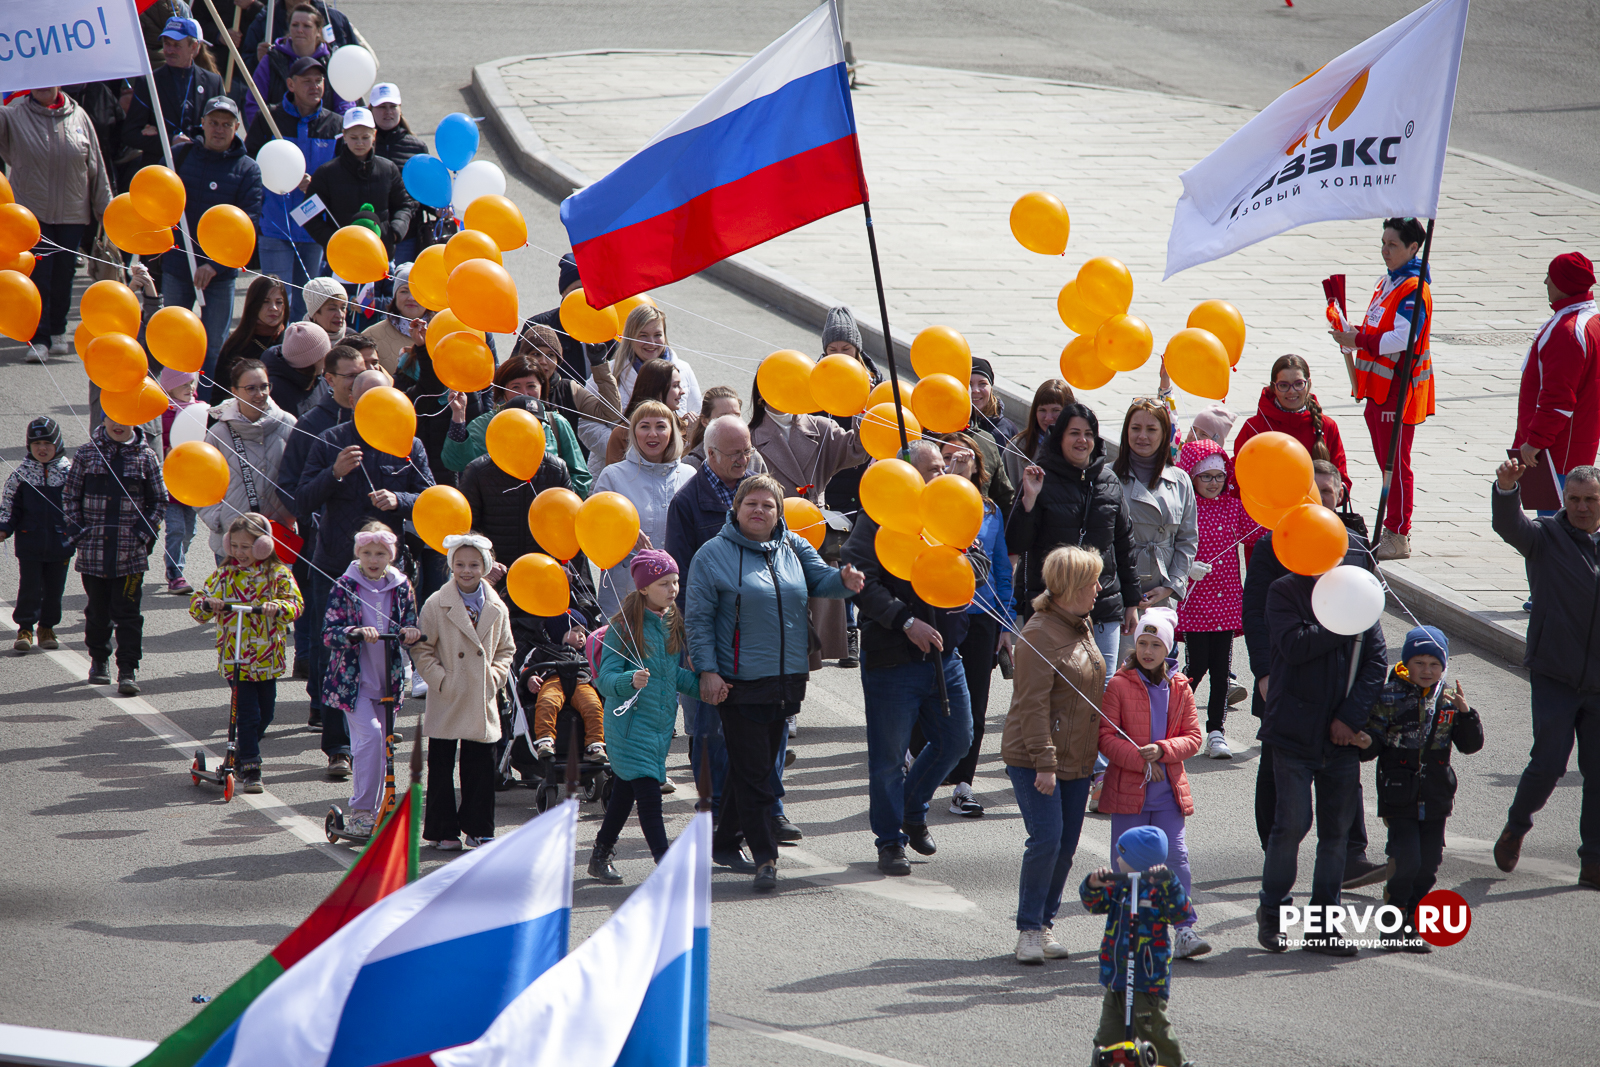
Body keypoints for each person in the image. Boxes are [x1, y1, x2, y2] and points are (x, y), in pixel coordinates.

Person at [686, 475, 864, 891]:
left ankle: (724, 842)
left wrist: (844, 581)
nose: (759, 511)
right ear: (736, 509)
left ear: (779, 513)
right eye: (751, 503)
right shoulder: (712, 554)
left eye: (768, 505)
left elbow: (821, 581)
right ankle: (766, 857)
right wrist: (707, 670)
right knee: (756, 773)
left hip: (786, 678)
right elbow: (697, 619)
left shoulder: (793, 546)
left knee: (757, 766)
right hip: (738, 681)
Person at [842, 442, 987, 876]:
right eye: (932, 470)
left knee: (956, 739)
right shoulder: (878, 518)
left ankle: (912, 807)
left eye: (943, 468)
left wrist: (960, 558)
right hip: (893, 659)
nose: (941, 476)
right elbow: (862, 583)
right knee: (888, 758)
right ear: (907, 476)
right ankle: (890, 841)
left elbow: (978, 566)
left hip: (945, 653)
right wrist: (905, 621)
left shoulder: (949, 512)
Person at [1242, 459, 1387, 890]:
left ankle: (1353, 856)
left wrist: (1355, 712)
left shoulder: (1357, 547)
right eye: (1312, 491)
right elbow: (1258, 614)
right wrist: (1264, 671)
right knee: (1279, 780)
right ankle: (1275, 852)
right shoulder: (1276, 545)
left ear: (1341, 493)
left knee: (1342, 782)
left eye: (1327, 491)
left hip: (1341, 693)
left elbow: (1373, 639)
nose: (1320, 499)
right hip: (1287, 686)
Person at [296, 369, 435, 777]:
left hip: (387, 573)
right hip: (335, 566)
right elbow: (302, 499)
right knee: (334, 651)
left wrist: (400, 499)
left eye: (384, 395)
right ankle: (338, 747)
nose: (376, 404)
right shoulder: (332, 439)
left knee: (385, 649)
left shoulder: (408, 443)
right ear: (353, 401)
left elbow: (430, 497)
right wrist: (335, 472)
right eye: (367, 397)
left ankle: (381, 728)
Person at [1256, 559, 1388, 956]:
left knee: (1336, 836)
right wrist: (1343, 621)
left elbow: (1376, 662)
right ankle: (1273, 914)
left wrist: (1350, 719)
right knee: (1291, 826)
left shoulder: (1359, 591)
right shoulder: (1284, 590)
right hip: (1293, 734)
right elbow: (1295, 646)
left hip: (1341, 740)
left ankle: (1323, 927)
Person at [1490, 458, 1600, 891]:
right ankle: (1516, 827)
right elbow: (1509, 525)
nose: (1582, 507)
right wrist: (1506, 489)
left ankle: (1593, 861)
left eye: (1590, 500)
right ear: (1563, 499)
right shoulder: (1545, 538)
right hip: (1555, 674)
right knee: (1549, 763)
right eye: (1574, 499)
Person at [1003, 544, 1104, 962]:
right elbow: (1032, 706)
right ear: (1071, 587)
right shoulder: (1038, 634)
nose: (1099, 588)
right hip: (1035, 759)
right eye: (1092, 581)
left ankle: (1045, 924)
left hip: (1076, 758)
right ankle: (1028, 930)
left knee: (1065, 846)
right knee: (1046, 840)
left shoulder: (1081, 624)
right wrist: (1045, 763)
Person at [1359, 626, 1484, 950]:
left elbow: (1470, 746)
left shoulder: (1449, 699)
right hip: (1399, 794)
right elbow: (1373, 742)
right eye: (1419, 663)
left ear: (1443, 667)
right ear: (1406, 664)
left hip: (1436, 795)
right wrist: (1366, 740)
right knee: (1406, 861)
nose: (1427, 670)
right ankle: (1393, 921)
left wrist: (1466, 715)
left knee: (1428, 866)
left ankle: (1413, 922)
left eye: (1434, 664)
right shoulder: (1389, 695)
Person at [1098, 606, 1209, 960]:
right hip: (1128, 791)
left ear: (1168, 649)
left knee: (1176, 858)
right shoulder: (1118, 684)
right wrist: (1140, 759)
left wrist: (1161, 751)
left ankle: (1184, 928)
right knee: (1128, 864)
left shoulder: (1181, 687)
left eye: (1155, 645)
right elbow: (1106, 737)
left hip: (1167, 793)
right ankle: (1129, 929)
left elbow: (1193, 737)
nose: (1147, 651)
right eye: (1142, 643)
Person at [587, 551, 702, 883]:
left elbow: (672, 676)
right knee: (650, 795)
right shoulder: (623, 627)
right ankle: (666, 865)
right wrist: (629, 680)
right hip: (628, 726)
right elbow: (605, 680)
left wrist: (707, 688)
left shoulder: (671, 621)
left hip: (658, 727)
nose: (673, 589)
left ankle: (600, 854)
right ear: (643, 588)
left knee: (625, 792)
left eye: (675, 582)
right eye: (664, 583)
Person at [665, 413, 757, 818]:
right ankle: (714, 810)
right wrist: (697, 647)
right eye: (734, 453)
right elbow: (681, 583)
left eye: (747, 451)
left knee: (759, 724)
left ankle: (764, 811)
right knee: (708, 725)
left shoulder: (758, 495)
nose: (743, 460)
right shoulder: (687, 503)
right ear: (711, 454)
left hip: (756, 632)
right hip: (709, 634)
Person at [1330, 217, 1436, 561]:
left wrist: (1358, 340)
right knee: (1385, 462)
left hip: (1398, 390)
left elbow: (1402, 338)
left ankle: (1398, 533)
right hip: (1379, 388)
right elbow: (1379, 328)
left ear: (1413, 248)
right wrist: (1352, 333)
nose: (1385, 250)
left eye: (1392, 244)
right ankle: (1393, 529)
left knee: (1395, 464)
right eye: (1383, 242)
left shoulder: (1413, 288)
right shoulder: (1388, 282)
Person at [1007, 403, 1139, 662]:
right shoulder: (1039, 479)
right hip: (1051, 606)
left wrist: (1132, 601)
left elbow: (1125, 545)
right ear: (1059, 438)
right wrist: (1028, 501)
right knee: (1054, 682)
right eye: (1074, 433)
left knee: (1102, 681)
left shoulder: (1109, 481)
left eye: (1088, 434)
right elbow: (1016, 543)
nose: (1082, 440)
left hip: (1103, 604)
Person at [411, 533, 514, 849]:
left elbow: (506, 649)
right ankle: (442, 829)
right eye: (459, 564)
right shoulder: (436, 603)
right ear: (450, 566)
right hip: (448, 694)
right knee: (441, 766)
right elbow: (422, 648)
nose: (466, 571)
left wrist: (494, 677)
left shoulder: (497, 606)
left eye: (473, 565)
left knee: (480, 766)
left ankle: (479, 827)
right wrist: (441, 680)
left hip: (482, 695)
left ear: (485, 566)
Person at [188, 513, 303, 795]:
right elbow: (197, 603)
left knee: (266, 713)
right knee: (248, 715)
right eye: (236, 546)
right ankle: (251, 768)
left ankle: (237, 757)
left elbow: (295, 604)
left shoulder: (278, 574)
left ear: (264, 546)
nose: (240, 552)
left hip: (267, 657)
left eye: (247, 547)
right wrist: (208, 604)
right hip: (235, 656)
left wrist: (278, 606)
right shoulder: (225, 575)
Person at [320, 522, 421, 838]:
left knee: (383, 748)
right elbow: (329, 633)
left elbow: (410, 624)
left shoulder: (401, 586)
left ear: (391, 556)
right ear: (358, 554)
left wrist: (411, 632)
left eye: (380, 553)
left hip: (389, 683)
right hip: (353, 685)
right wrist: (354, 632)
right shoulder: (345, 585)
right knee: (372, 740)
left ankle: (380, 811)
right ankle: (362, 812)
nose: (373, 560)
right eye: (367, 553)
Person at [0, 87, 112, 361]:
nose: (43, 86)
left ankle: (58, 330)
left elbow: (95, 165)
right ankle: (39, 339)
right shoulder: (13, 115)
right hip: (32, 215)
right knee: (39, 277)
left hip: (72, 214)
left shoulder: (79, 116)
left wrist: (107, 211)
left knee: (64, 276)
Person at [160, 95, 263, 382]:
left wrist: (215, 265)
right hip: (178, 265)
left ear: (237, 127)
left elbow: (248, 225)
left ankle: (208, 402)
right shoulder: (178, 156)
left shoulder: (248, 169)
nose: (219, 129)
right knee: (174, 341)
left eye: (226, 124)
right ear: (202, 123)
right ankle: (173, 399)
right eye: (214, 122)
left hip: (220, 274)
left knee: (214, 347)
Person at [277, 343, 361, 688]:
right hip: (322, 543)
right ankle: (316, 692)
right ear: (329, 379)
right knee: (322, 619)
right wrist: (313, 510)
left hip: (370, 549)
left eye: (363, 373)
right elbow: (289, 486)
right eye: (350, 376)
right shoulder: (312, 425)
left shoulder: (381, 420)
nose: (357, 382)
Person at [63, 415, 166, 694]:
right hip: (93, 553)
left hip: (130, 556)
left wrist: (140, 535)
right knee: (97, 612)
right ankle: (99, 661)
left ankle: (128, 669)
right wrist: (79, 532)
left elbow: (159, 501)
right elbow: (70, 496)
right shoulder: (86, 454)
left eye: (124, 419)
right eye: (112, 418)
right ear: (104, 418)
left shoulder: (146, 457)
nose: (117, 424)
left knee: (128, 613)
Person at [940, 434, 1013, 818]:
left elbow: (1001, 566)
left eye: (963, 454)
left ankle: (963, 786)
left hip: (982, 616)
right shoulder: (930, 502)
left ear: (977, 464)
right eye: (947, 455)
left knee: (975, 703)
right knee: (934, 698)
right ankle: (920, 767)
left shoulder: (990, 510)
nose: (956, 459)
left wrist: (1006, 621)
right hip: (939, 613)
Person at [1174, 439, 1261, 759]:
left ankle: (1216, 732)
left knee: (1222, 671)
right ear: (1192, 477)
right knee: (1197, 665)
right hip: (1195, 601)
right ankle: (1175, 717)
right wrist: (1187, 568)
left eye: (1219, 476)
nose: (1213, 483)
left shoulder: (1233, 506)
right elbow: (1169, 544)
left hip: (1226, 601)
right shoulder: (1185, 508)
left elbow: (1258, 532)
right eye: (1206, 476)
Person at [1081, 827, 1195, 1067]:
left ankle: (1176, 1063)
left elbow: (1181, 912)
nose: (1117, 860)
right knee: (1107, 1037)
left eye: (1122, 855)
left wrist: (1169, 883)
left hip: (1146, 978)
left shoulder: (1158, 891)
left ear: (1138, 860)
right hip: (1117, 979)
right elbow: (1094, 904)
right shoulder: (1119, 887)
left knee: (1152, 1028)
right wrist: (1093, 884)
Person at [244, 56, 341, 321]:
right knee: (276, 302)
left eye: (319, 80)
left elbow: (342, 175)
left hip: (314, 229)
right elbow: (250, 164)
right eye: (307, 81)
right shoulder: (269, 119)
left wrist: (318, 185)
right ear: (290, 84)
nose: (314, 86)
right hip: (275, 225)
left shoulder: (335, 124)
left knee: (308, 306)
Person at [1511, 253, 1599, 515]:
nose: (1545, 282)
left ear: (1562, 283)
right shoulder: (1591, 320)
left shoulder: (1566, 332)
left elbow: (1558, 399)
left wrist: (1534, 441)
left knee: (1554, 528)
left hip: (1557, 454)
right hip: (1576, 445)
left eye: (1550, 276)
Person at [1112, 398, 1197, 666]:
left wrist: (1171, 586)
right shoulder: (1108, 476)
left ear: (1164, 435)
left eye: (1151, 429)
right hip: (1119, 591)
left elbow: (1187, 540)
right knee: (1122, 673)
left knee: (1157, 672)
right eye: (1136, 428)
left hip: (1161, 592)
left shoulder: (1180, 480)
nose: (1143, 436)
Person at [591, 401, 696, 617]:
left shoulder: (689, 475)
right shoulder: (613, 475)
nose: (652, 434)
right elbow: (593, 532)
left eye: (661, 426)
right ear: (633, 432)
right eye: (644, 426)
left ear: (672, 432)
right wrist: (624, 534)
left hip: (676, 597)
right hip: (624, 595)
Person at [444, 355, 589, 496]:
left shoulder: (556, 423)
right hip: (500, 509)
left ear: (542, 387)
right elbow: (455, 462)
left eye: (531, 386)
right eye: (515, 387)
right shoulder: (486, 424)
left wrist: (559, 500)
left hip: (545, 509)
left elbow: (581, 478)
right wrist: (458, 414)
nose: (524, 393)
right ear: (503, 390)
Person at [198, 359, 298, 563]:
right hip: (233, 543)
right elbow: (200, 484)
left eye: (264, 386)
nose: (260, 394)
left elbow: (301, 475)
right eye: (251, 388)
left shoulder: (288, 424)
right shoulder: (219, 433)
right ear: (235, 391)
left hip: (277, 539)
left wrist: (294, 513)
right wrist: (217, 519)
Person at [583, 305, 701, 467]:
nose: (651, 343)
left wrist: (688, 436)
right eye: (643, 336)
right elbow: (586, 423)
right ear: (630, 336)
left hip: (673, 469)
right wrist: (626, 445)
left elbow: (697, 412)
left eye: (657, 335)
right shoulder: (608, 372)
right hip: (616, 464)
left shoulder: (684, 369)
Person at [1233, 353, 1351, 499]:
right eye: (1283, 385)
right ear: (1273, 387)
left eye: (1298, 384)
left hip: (1314, 509)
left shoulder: (1327, 426)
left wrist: (1330, 494)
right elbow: (1237, 480)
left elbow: (1342, 481)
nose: (1292, 391)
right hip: (1268, 509)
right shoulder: (1254, 427)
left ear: (1308, 384)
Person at [0, 418, 73, 652]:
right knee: (29, 587)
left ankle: (47, 628)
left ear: (57, 444)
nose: (42, 448)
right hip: (29, 542)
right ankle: (25, 628)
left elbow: (78, 508)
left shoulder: (69, 474)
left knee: (54, 590)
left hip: (60, 542)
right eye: (36, 444)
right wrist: (4, 527)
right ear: (29, 446)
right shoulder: (21, 475)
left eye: (47, 443)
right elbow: (9, 505)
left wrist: (81, 533)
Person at [303, 108, 414, 258]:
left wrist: (394, 233)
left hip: (381, 255)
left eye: (365, 137)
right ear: (344, 136)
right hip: (342, 258)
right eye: (354, 137)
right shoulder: (326, 173)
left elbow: (404, 205)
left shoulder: (388, 169)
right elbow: (308, 215)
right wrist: (335, 240)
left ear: (374, 135)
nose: (360, 143)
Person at [514, 320, 624, 468]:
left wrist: (600, 367)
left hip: (562, 474)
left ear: (558, 360)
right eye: (536, 354)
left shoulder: (568, 389)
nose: (543, 361)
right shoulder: (511, 387)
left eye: (550, 355)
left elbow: (611, 413)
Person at [122, 18, 225, 169]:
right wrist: (170, 140)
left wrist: (194, 142)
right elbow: (130, 134)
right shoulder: (149, 82)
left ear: (193, 47)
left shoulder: (212, 82)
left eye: (177, 45)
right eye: (167, 44)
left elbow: (222, 129)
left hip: (201, 167)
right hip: (160, 168)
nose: (170, 51)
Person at [245, 3, 347, 127]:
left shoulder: (332, 61)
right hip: (278, 135)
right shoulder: (271, 60)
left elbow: (344, 104)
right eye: (295, 25)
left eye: (307, 26)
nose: (299, 30)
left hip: (323, 135)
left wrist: (339, 132)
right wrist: (263, 132)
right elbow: (254, 103)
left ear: (319, 31)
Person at [369, 84, 432, 260]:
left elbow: (424, 191)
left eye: (392, 106)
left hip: (407, 236)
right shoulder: (361, 144)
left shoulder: (417, 147)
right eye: (382, 107)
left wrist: (438, 209)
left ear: (400, 109)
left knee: (402, 278)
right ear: (371, 109)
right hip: (368, 233)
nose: (388, 112)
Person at [158, 370, 206, 592]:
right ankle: (175, 574)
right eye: (184, 384)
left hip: (193, 483)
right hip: (170, 482)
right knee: (175, 529)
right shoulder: (161, 412)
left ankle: (175, 556)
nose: (190, 388)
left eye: (192, 383)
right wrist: (166, 451)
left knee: (189, 531)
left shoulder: (201, 410)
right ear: (169, 387)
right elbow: (155, 441)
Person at [528, 253, 606, 388]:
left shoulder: (607, 325)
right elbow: (516, 372)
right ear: (563, 293)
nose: (583, 296)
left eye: (590, 289)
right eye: (578, 290)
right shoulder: (539, 325)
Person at [213, 275, 289, 405]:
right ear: (253, 305)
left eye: (279, 302)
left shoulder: (293, 340)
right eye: (266, 301)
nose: (274, 308)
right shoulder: (236, 347)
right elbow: (219, 399)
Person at [604, 358, 693, 468]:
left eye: (661, 427)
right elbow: (615, 476)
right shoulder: (622, 434)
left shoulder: (686, 429)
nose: (682, 391)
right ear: (657, 389)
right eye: (675, 385)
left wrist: (694, 438)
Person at [1003, 378, 1072, 496]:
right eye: (1042, 410)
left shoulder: (1079, 446)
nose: (1048, 418)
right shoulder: (1016, 448)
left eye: (1056, 410)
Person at [683, 386, 767, 474]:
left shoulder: (753, 459)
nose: (731, 422)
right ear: (705, 421)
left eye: (736, 415)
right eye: (724, 416)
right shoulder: (691, 464)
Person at [360, 262, 424, 375]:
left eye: (418, 291)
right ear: (395, 296)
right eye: (404, 291)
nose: (411, 298)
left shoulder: (443, 332)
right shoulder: (370, 336)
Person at [263, 320, 332, 417]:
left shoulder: (320, 380)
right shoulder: (275, 390)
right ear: (311, 360)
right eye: (325, 353)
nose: (329, 358)